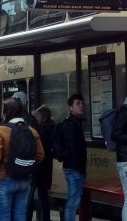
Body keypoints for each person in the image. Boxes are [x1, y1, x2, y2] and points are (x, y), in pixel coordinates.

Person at [0, 97, 44, 221]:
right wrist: (27, 166)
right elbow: (40, 155)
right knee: (20, 215)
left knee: (4, 216)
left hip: (4, 179)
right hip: (25, 179)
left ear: (6, 112)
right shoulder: (31, 131)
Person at [56, 93, 87, 221]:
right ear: (70, 107)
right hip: (74, 168)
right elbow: (73, 148)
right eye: (77, 104)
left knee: (74, 200)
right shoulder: (70, 124)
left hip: (75, 167)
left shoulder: (76, 123)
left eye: (82, 103)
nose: (81, 106)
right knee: (73, 202)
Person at [27, 105, 55, 221]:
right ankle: (46, 218)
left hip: (40, 169)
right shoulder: (50, 128)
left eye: (37, 116)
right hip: (46, 169)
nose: (35, 118)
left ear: (43, 118)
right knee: (43, 196)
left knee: (30, 196)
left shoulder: (42, 130)